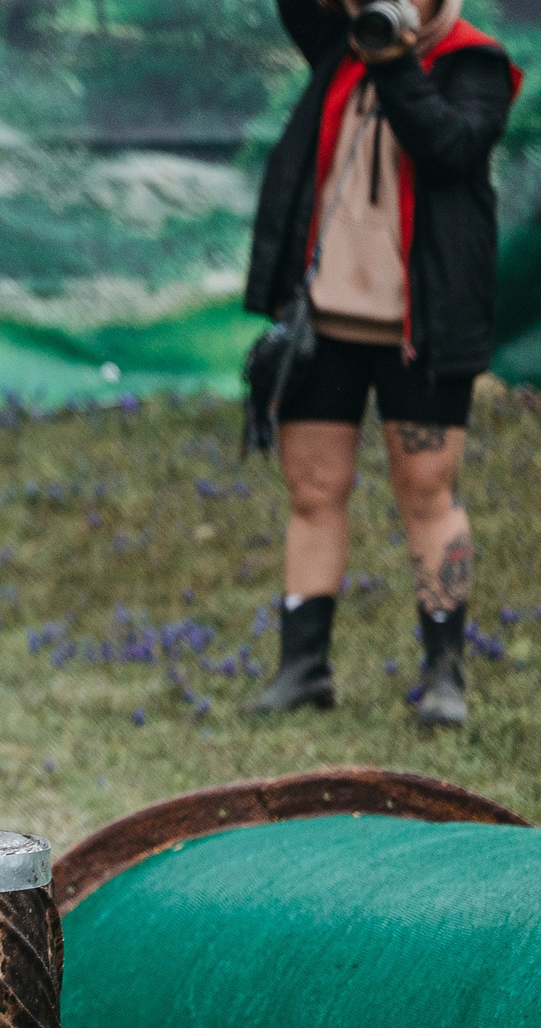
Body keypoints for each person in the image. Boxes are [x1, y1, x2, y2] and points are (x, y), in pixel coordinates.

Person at [243, 0, 520, 727]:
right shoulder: (338, 43)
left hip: (421, 326)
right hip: (321, 322)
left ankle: (444, 673)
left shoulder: (474, 61)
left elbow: (448, 146)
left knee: (427, 489)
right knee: (314, 488)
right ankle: (303, 668)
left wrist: (393, 55)